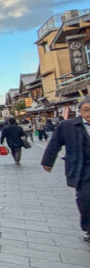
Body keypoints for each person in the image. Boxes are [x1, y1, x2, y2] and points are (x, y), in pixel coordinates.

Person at [42, 98, 90, 243]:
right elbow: (54, 143)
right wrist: (48, 161)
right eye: (86, 109)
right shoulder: (68, 126)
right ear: (80, 111)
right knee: (85, 199)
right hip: (82, 169)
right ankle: (89, 228)